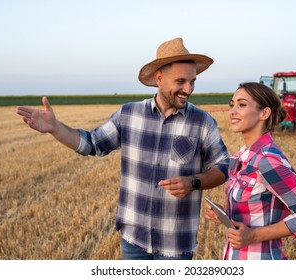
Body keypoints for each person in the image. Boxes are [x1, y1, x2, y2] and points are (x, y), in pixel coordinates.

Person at [16, 37, 229, 260]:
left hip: (175, 243)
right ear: (159, 78)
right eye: (181, 81)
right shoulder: (129, 114)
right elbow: (92, 144)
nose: (188, 89)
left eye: (192, 81)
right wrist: (55, 128)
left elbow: (222, 167)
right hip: (133, 239)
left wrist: (194, 182)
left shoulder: (202, 122)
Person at [205, 82, 296, 260]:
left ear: (264, 113)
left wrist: (253, 236)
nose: (232, 111)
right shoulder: (239, 157)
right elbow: (257, 211)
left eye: (242, 104)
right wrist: (225, 217)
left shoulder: (268, 161)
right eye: (232, 104)